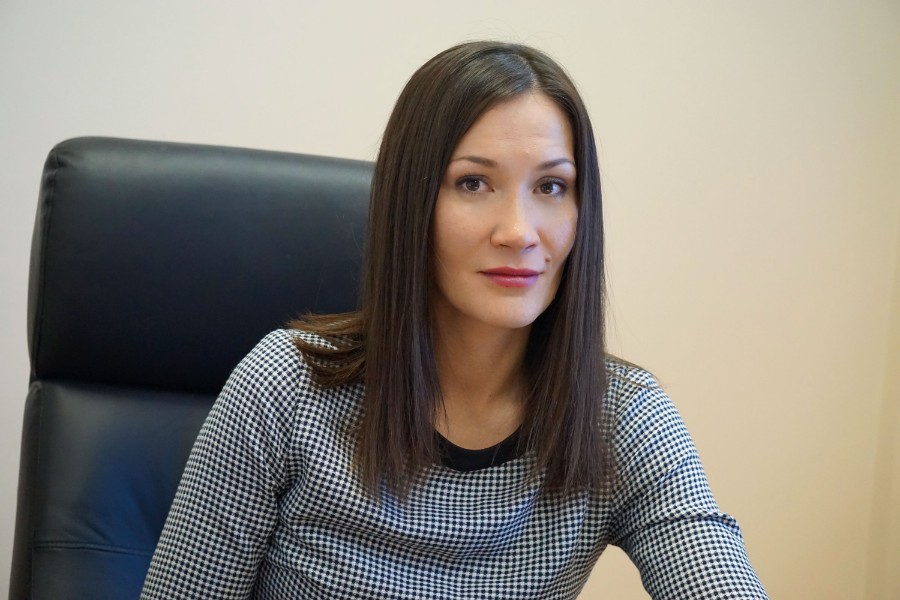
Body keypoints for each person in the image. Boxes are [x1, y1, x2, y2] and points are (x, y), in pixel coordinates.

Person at [141, 41, 767, 599]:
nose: (519, 232)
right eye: (473, 183)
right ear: (411, 203)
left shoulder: (620, 416)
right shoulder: (286, 386)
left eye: (551, 187)